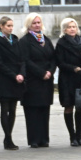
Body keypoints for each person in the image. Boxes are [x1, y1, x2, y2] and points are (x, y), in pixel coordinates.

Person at [19, 13, 56, 149]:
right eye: (34, 23)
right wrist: (41, 73)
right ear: (29, 25)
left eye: (38, 22)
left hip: (46, 81)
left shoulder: (46, 39)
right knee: (32, 112)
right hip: (33, 81)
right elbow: (26, 60)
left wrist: (50, 72)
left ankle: (44, 139)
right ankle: (34, 139)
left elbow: (53, 58)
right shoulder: (25, 41)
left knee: (44, 111)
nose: (37, 25)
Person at [0, 16, 25, 150]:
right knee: (5, 108)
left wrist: (21, 73)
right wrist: (13, 75)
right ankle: (8, 137)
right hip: (5, 79)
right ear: (1, 26)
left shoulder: (15, 40)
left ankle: (9, 136)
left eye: (12, 26)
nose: (11, 28)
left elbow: (22, 58)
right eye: (8, 26)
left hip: (17, 78)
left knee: (13, 109)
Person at [55, 17, 81, 146]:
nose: (72, 29)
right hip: (67, 79)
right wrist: (73, 68)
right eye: (69, 27)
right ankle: (72, 136)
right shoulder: (61, 43)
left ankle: (79, 136)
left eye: (74, 26)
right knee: (69, 106)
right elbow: (60, 62)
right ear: (64, 29)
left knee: (80, 107)